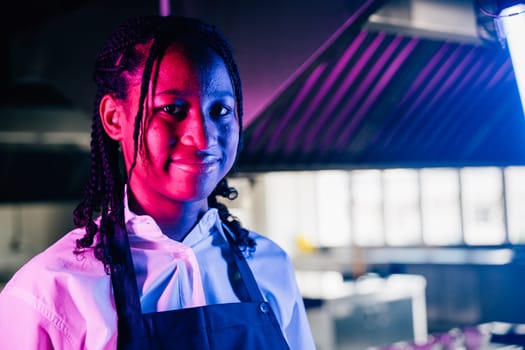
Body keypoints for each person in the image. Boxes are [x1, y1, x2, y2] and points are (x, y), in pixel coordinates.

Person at [0, 15, 315, 349]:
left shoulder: (268, 266)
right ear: (113, 118)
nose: (202, 136)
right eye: (173, 109)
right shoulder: (50, 293)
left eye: (220, 110)